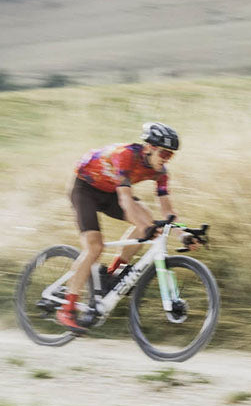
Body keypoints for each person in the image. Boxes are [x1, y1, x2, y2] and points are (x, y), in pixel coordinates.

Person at [57, 122, 194, 333]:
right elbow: (125, 201)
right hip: (85, 189)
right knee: (95, 247)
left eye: (170, 156)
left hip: (110, 191)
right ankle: (67, 308)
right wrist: (145, 227)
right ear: (149, 148)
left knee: (148, 220)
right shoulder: (125, 155)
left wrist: (183, 234)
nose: (166, 159)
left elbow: (168, 212)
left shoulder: (161, 173)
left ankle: (112, 275)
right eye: (164, 153)